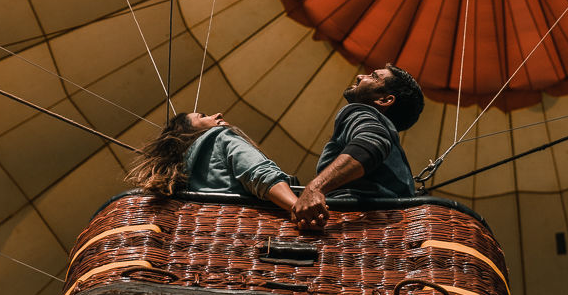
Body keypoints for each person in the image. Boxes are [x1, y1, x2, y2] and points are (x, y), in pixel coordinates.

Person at [293, 65, 423, 230]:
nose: (360, 76)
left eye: (373, 76)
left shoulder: (360, 112)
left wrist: (315, 188)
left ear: (384, 100)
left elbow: (372, 143)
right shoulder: (395, 149)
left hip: (353, 226)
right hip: (392, 234)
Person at [126, 111, 299, 214]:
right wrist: (297, 207)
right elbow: (260, 175)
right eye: (202, 116)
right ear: (184, 130)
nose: (217, 114)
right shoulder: (220, 136)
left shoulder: (181, 178)